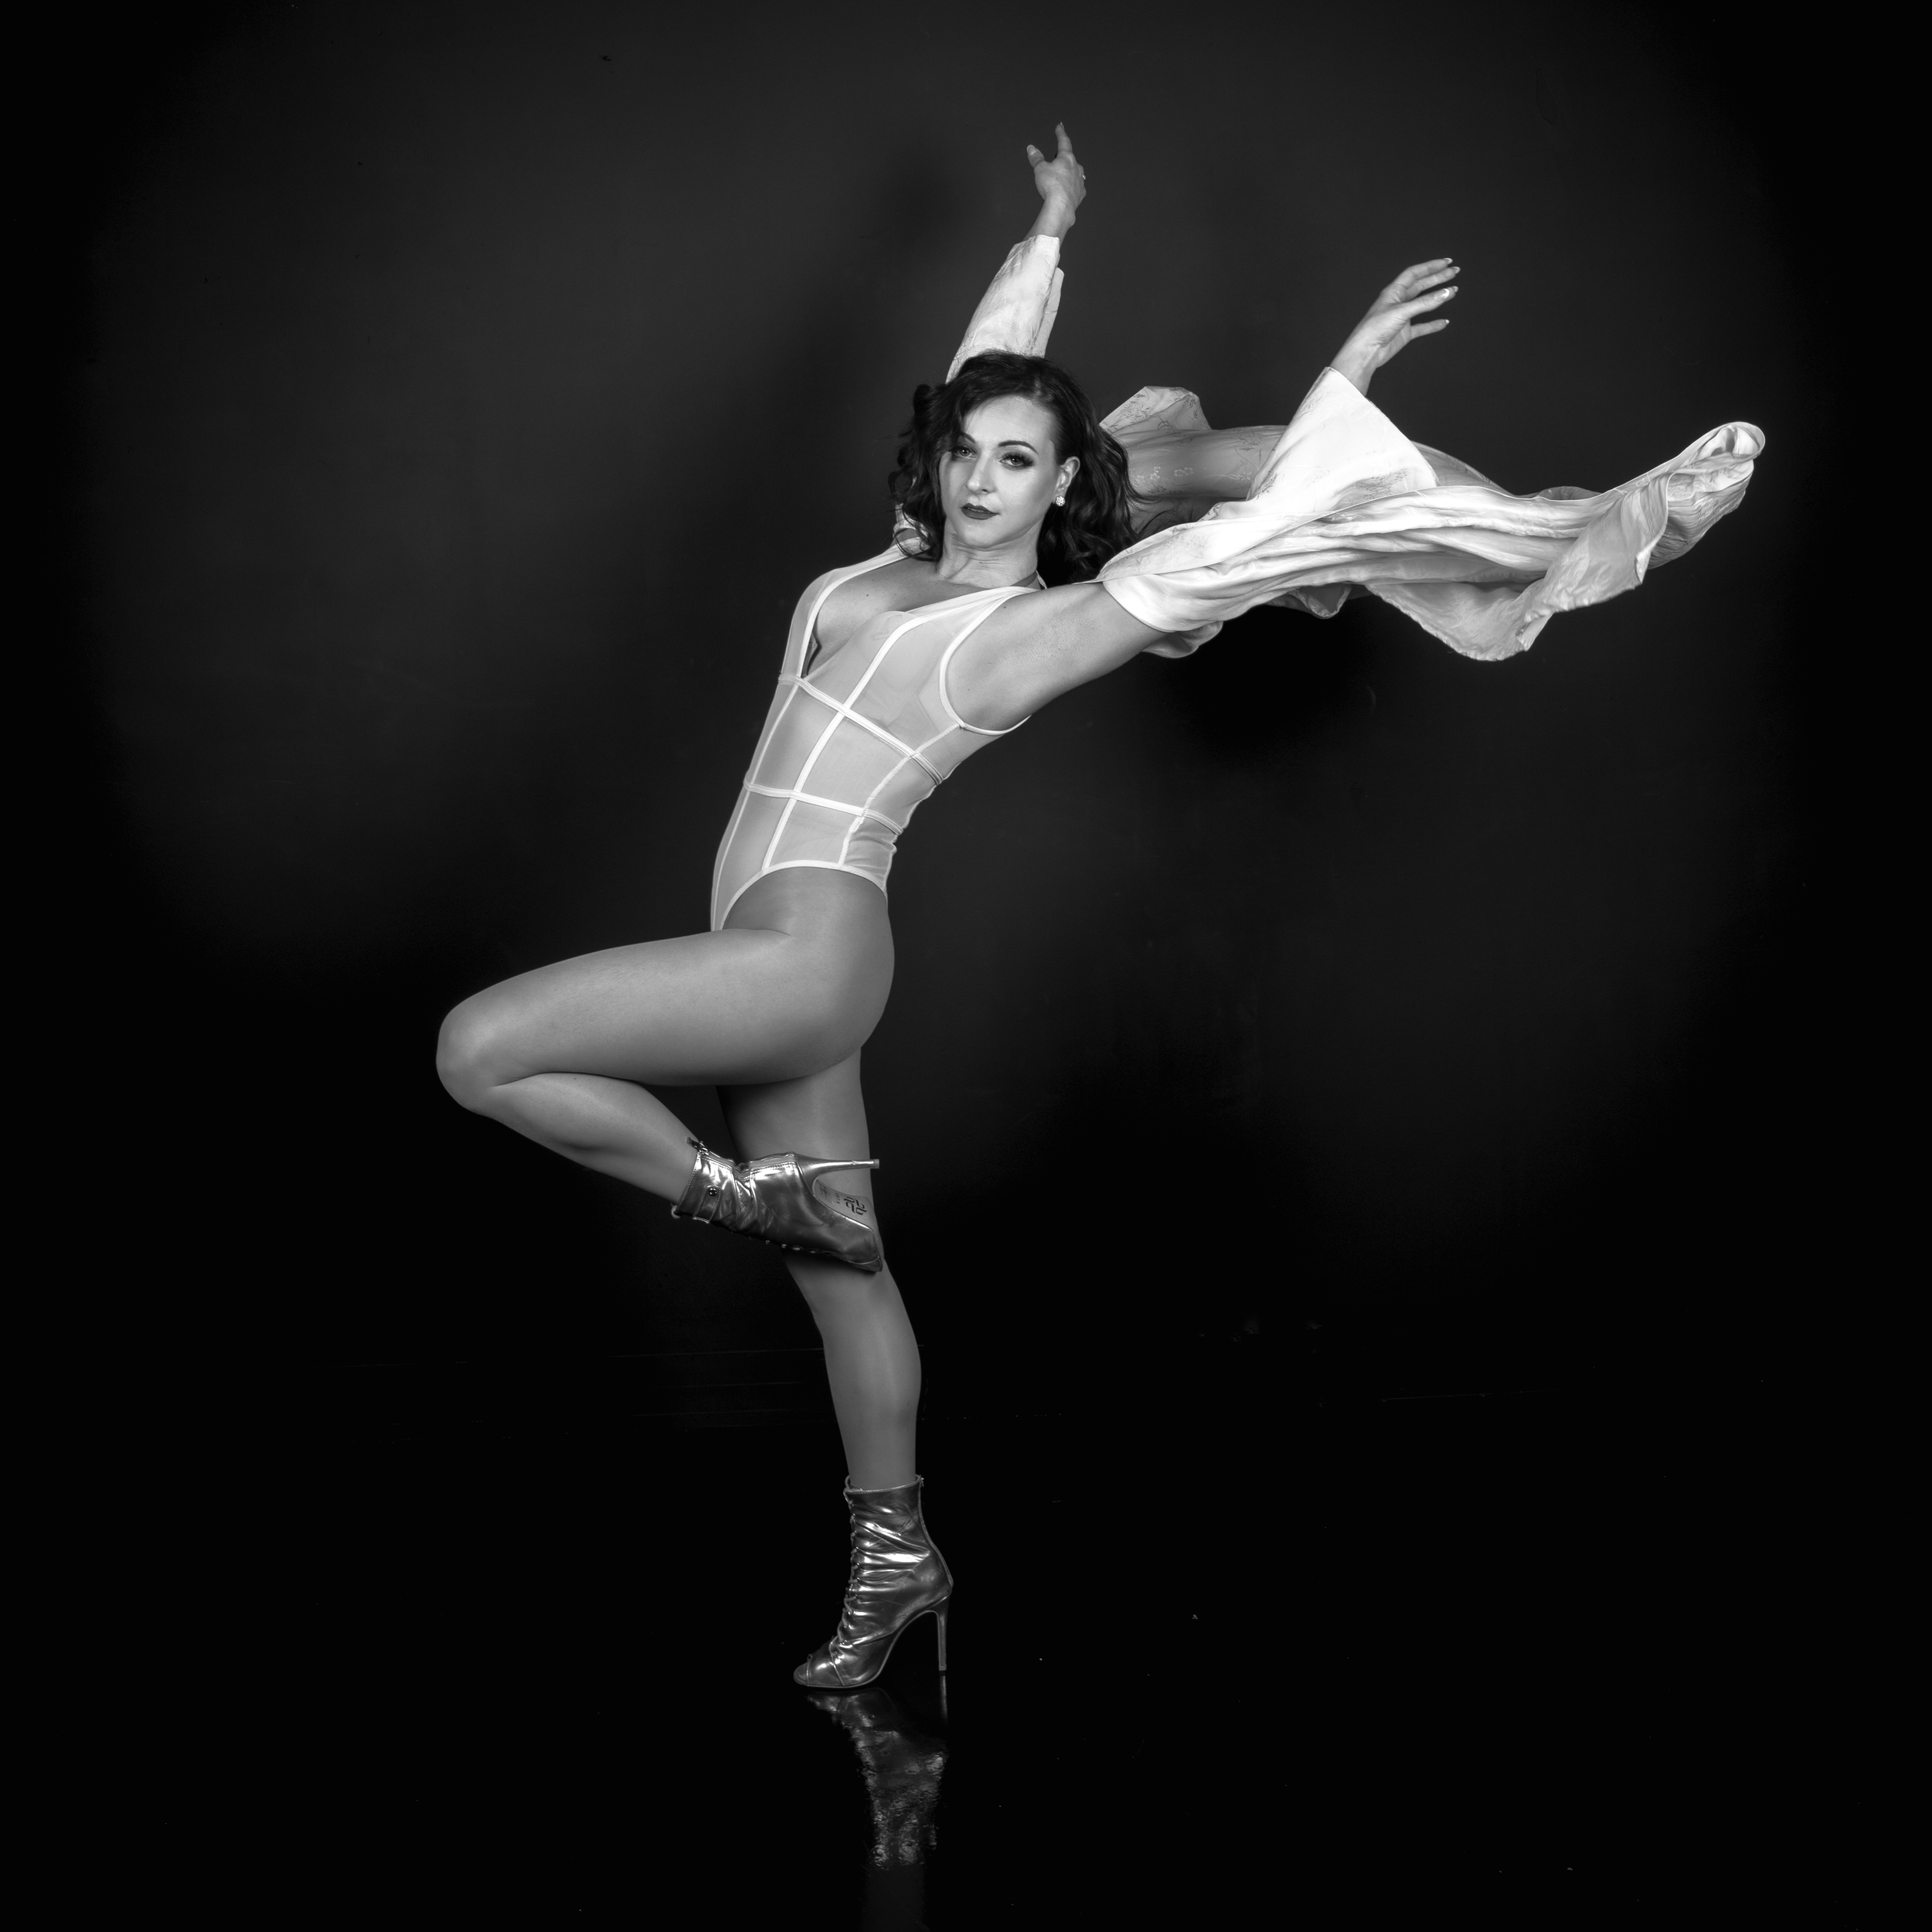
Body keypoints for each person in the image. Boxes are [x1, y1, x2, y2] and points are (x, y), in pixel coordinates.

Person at [437, 128, 1760, 1690]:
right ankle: (896, 1558)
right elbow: (981, 375)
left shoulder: (1029, 630)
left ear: (1066, 485)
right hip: (774, 954)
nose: (980, 478)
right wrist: (1050, 232)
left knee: (481, 1049)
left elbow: (1232, 548)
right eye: (965, 453)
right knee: (848, 1281)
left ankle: (739, 1196)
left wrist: (1345, 370)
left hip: (800, 958)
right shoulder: (893, 563)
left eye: (1018, 462)